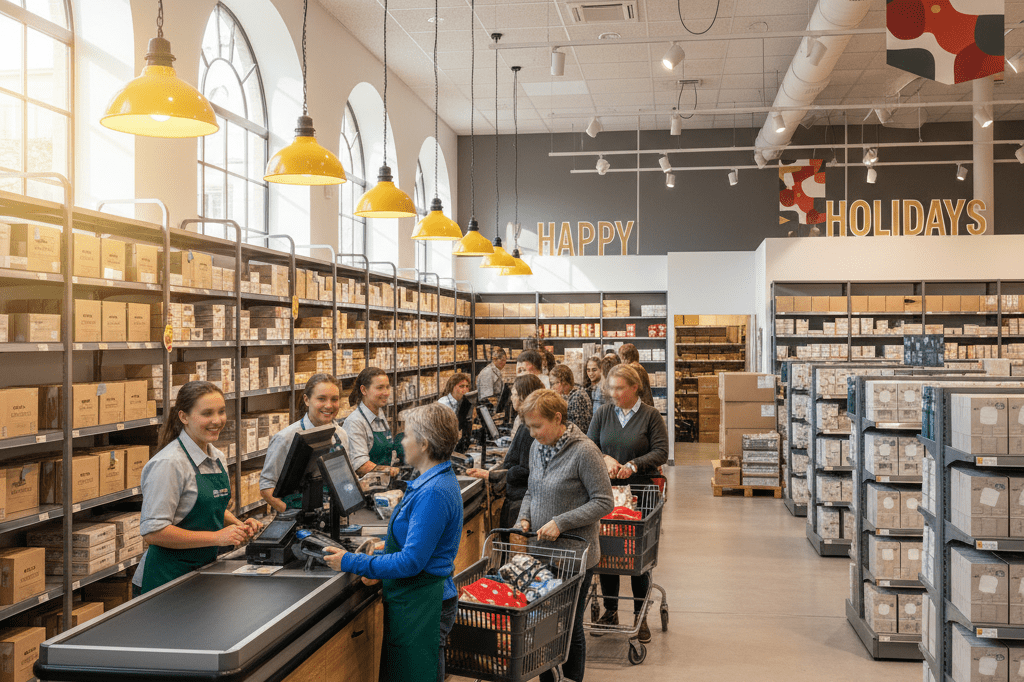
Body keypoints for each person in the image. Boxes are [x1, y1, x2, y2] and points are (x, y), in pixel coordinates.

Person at [325, 404, 463, 682]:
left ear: (423, 444)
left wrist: (350, 560)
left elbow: (412, 561)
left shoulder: (433, 492)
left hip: (423, 603)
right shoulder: (430, 481)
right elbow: (419, 539)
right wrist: (387, 544)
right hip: (417, 601)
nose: (402, 442)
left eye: (407, 435)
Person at [517, 390, 614, 682]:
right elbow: (532, 490)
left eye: (538, 426)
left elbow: (604, 501)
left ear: (558, 419)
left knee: (569, 626)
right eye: (529, 428)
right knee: (543, 622)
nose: (533, 434)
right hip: (541, 553)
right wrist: (524, 516)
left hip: (574, 556)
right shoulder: (537, 448)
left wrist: (561, 522)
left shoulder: (584, 451)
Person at [134, 381, 260, 596]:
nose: (217, 420)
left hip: (200, 573)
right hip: (165, 580)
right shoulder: (169, 464)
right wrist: (218, 538)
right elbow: (153, 532)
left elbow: (208, 505)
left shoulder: (216, 456)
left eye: (221, 412)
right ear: (184, 417)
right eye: (207, 413)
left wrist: (239, 527)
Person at [587, 364, 669, 644]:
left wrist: (634, 465)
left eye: (620, 388)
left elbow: (661, 451)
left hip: (641, 493)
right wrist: (605, 459)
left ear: (635, 388)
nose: (614, 393)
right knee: (609, 553)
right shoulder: (603, 413)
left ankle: (640, 614)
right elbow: (589, 445)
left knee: (637, 558)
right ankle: (611, 610)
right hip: (608, 494)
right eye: (611, 388)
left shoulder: (650, 416)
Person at [464, 373, 545, 529]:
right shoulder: (526, 424)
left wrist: (493, 474)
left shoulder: (529, 428)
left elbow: (525, 469)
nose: (511, 398)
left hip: (521, 502)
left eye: (514, 394)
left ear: (523, 396)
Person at [260, 374, 350, 513]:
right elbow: (267, 487)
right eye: (321, 399)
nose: (329, 405)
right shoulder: (286, 438)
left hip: (332, 516)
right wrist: (293, 515)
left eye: (334, 399)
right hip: (297, 521)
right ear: (307, 400)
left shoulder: (341, 435)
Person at [342, 367, 402, 477]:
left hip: (383, 483)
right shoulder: (355, 422)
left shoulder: (379, 412)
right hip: (367, 488)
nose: (386, 393)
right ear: (364, 390)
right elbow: (361, 466)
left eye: (387, 387)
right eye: (380, 388)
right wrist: (392, 471)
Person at [550, 364, 593, 434]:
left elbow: (578, 429)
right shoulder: (571, 394)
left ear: (563, 382)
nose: (552, 387)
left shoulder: (578, 397)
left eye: (553, 383)